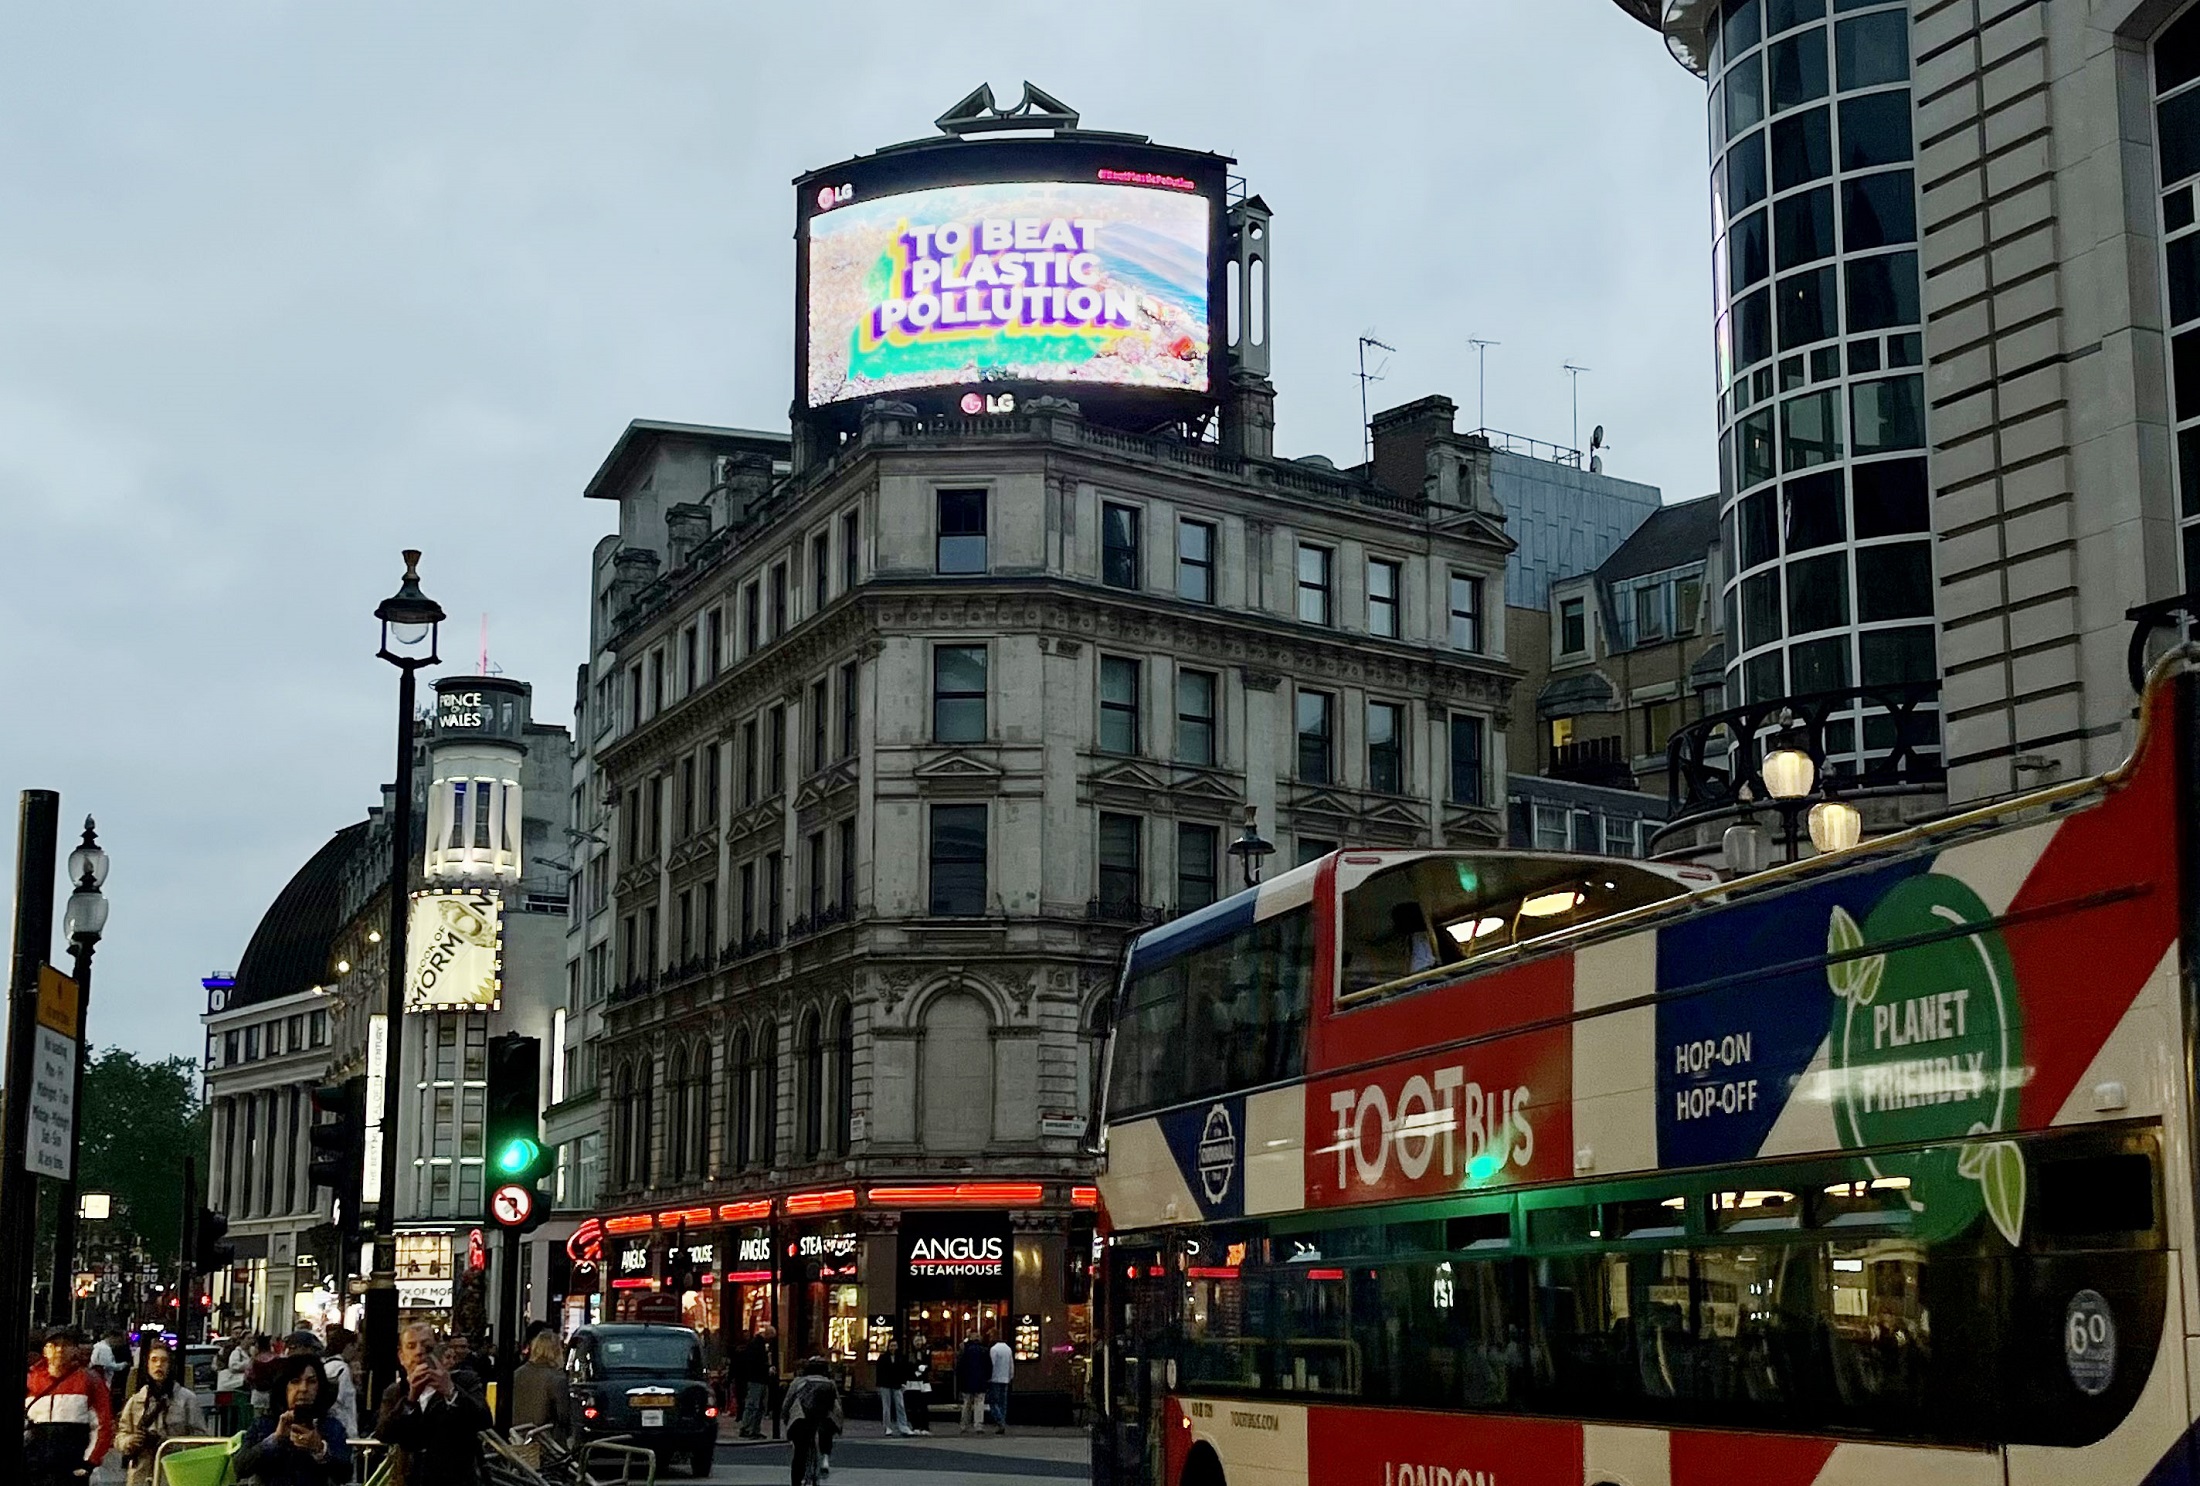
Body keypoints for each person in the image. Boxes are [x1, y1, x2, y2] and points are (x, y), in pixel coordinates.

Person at [375, 1322, 492, 1486]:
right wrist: (411, 1399)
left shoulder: (465, 1381)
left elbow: (484, 1419)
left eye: (427, 1346)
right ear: (402, 1356)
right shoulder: (396, 1392)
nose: (419, 1352)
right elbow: (384, 1434)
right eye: (411, 1346)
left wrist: (451, 1391)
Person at [234, 1354, 349, 1485]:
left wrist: (319, 1449)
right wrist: (275, 1439)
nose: (303, 1389)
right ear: (284, 1386)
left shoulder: (331, 1425)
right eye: (295, 1381)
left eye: (311, 1382)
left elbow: (344, 1474)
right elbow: (240, 1467)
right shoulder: (264, 1424)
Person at [25, 1325, 116, 1486]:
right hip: (34, 1469)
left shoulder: (89, 1381)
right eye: (53, 1345)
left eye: (65, 1345)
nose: (59, 1350)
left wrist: (88, 1463)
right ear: (45, 1351)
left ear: (74, 1350)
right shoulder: (30, 1380)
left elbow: (103, 1426)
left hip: (71, 1471)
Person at [114, 1341, 208, 1486]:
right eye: (154, 1360)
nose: (159, 1365)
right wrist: (131, 1441)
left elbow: (201, 1439)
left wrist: (167, 1443)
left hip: (173, 1474)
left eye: (164, 1361)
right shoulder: (136, 1400)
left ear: (170, 1365)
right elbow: (121, 1435)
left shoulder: (186, 1399)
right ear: (147, 1365)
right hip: (141, 1475)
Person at [780, 1357, 841, 1485]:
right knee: (825, 1433)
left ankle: (796, 1481)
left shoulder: (798, 1382)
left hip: (801, 1418)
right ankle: (824, 1457)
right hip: (823, 1419)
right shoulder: (830, 1383)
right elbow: (837, 1405)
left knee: (800, 1452)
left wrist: (785, 1418)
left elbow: (787, 1402)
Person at [509, 1332, 570, 1434]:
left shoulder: (517, 1373)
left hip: (517, 1435)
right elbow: (564, 1416)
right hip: (545, 1438)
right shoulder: (556, 1378)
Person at [310, 1328, 358, 1439]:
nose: (355, 1351)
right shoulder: (342, 1369)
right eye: (354, 1346)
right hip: (343, 1428)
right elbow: (345, 1403)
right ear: (347, 1345)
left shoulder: (325, 1365)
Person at [737, 1326, 772, 1438]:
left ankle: (752, 1429)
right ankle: (748, 1428)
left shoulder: (757, 1344)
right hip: (756, 1379)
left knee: (758, 1405)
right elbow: (756, 1363)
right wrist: (767, 1368)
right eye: (770, 1338)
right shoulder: (757, 1345)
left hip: (758, 1378)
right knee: (753, 1404)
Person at [955, 1336, 989, 1435]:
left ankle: (964, 1425)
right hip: (980, 1381)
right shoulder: (984, 1351)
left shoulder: (965, 1351)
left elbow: (960, 1367)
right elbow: (988, 1367)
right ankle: (978, 1425)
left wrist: (960, 1381)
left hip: (967, 1382)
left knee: (967, 1404)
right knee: (979, 1403)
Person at [874, 1346, 910, 1437]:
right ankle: (887, 1427)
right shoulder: (883, 1358)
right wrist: (879, 1384)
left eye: (895, 1346)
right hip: (885, 1384)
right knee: (886, 1407)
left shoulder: (900, 1357)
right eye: (891, 1346)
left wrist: (904, 1382)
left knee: (900, 1405)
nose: (893, 1348)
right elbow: (879, 1371)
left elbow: (904, 1370)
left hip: (897, 1384)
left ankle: (903, 1426)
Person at [986, 1332, 1014, 1435]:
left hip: (995, 1378)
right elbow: (1011, 1364)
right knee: (1003, 1403)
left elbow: (991, 1364)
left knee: (993, 1402)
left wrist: (988, 1377)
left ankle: (1000, 1421)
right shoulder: (1008, 1348)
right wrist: (1010, 1376)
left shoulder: (994, 1349)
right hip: (1005, 1378)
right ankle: (1002, 1422)